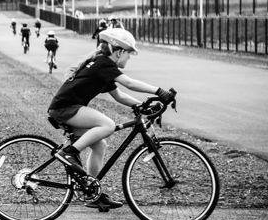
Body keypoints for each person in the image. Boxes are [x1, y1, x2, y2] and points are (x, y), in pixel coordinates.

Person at [48, 28, 175, 210]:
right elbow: (129, 83)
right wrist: (158, 91)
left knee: (100, 145)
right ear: (119, 51)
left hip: (65, 109)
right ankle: (69, 153)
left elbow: (119, 96)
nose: (129, 59)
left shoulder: (103, 68)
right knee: (107, 125)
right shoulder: (104, 64)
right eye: (129, 55)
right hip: (65, 109)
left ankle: (91, 192)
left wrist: (140, 105)